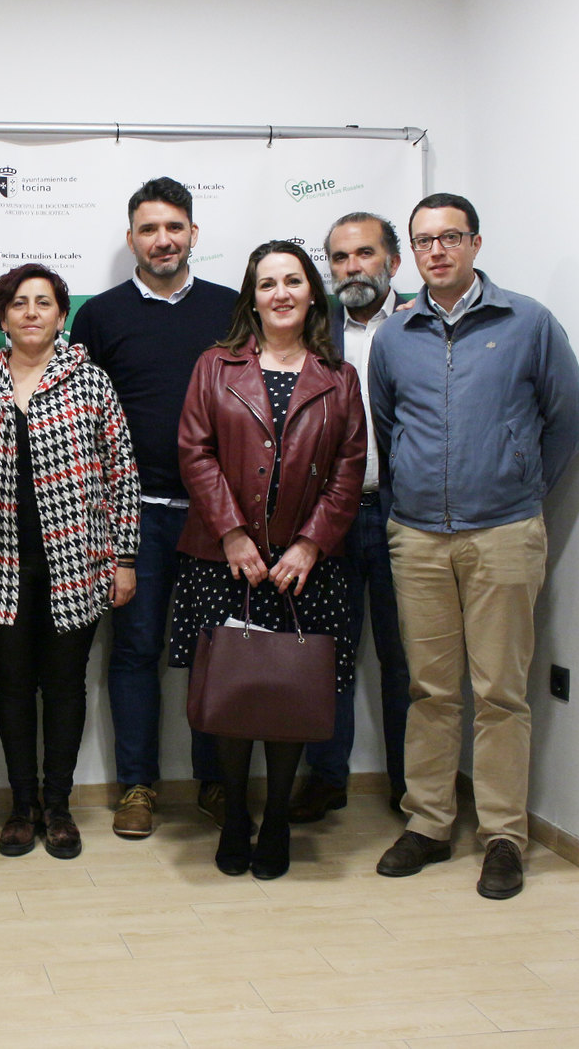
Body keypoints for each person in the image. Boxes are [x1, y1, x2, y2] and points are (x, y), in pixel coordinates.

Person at [370, 193, 579, 900]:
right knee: (430, 689)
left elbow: (567, 421)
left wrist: (520, 485)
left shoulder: (527, 323)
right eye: (424, 240)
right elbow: (387, 426)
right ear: (410, 253)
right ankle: (430, 823)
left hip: (503, 534)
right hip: (417, 538)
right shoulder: (394, 336)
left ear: (475, 243)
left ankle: (502, 835)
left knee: (500, 692)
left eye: (450, 237)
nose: (437, 250)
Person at [170, 240, 365, 879]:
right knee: (232, 691)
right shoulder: (215, 366)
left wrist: (310, 542)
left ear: (312, 294)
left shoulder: (339, 377)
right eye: (266, 283)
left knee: (290, 694)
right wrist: (230, 532)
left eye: (293, 281)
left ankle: (277, 817)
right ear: (251, 299)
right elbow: (195, 451)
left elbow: (348, 468)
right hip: (226, 559)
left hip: (307, 565)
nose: (280, 293)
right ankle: (235, 816)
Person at [71, 177, 235, 838]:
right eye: (148, 229)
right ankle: (137, 785)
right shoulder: (99, 316)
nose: (162, 240)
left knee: (218, 651)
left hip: (216, 516)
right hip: (133, 515)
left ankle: (217, 780)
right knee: (135, 650)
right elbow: (82, 418)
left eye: (173, 227)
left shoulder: (233, 309)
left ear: (193, 233)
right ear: (131, 238)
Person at [0, 264, 141, 859]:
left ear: (62, 315)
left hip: (78, 565)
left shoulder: (90, 382)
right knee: (11, 685)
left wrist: (124, 557)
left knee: (65, 686)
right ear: (2, 317)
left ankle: (59, 806)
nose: (32, 312)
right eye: (19, 303)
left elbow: (121, 474)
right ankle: (22, 806)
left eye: (44, 303)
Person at [288, 212, 413, 823]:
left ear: (394, 261)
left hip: (403, 516)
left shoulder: (420, 324)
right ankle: (327, 779)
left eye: (364, 253)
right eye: (339, 257)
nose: (351, 267)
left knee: (404, 660)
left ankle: (411, 787)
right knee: (324, 655)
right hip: (328, 518)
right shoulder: (314, 331)